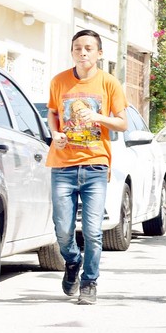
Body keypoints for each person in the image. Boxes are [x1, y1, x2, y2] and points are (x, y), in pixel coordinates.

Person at [46, 29, 128, 305]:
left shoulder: (109, 83)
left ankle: (90, 281)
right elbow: (53, 114)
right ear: (72, 52)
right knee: (63, 230)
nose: (83, 52)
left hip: (95, 165)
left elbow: (122, 122)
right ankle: (72, 261)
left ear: (99, 53)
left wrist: (97, 117)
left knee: (93, 230)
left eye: (89, 48)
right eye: (78, 47)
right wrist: (55, 134)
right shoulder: (59, 81)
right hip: (63, 166)